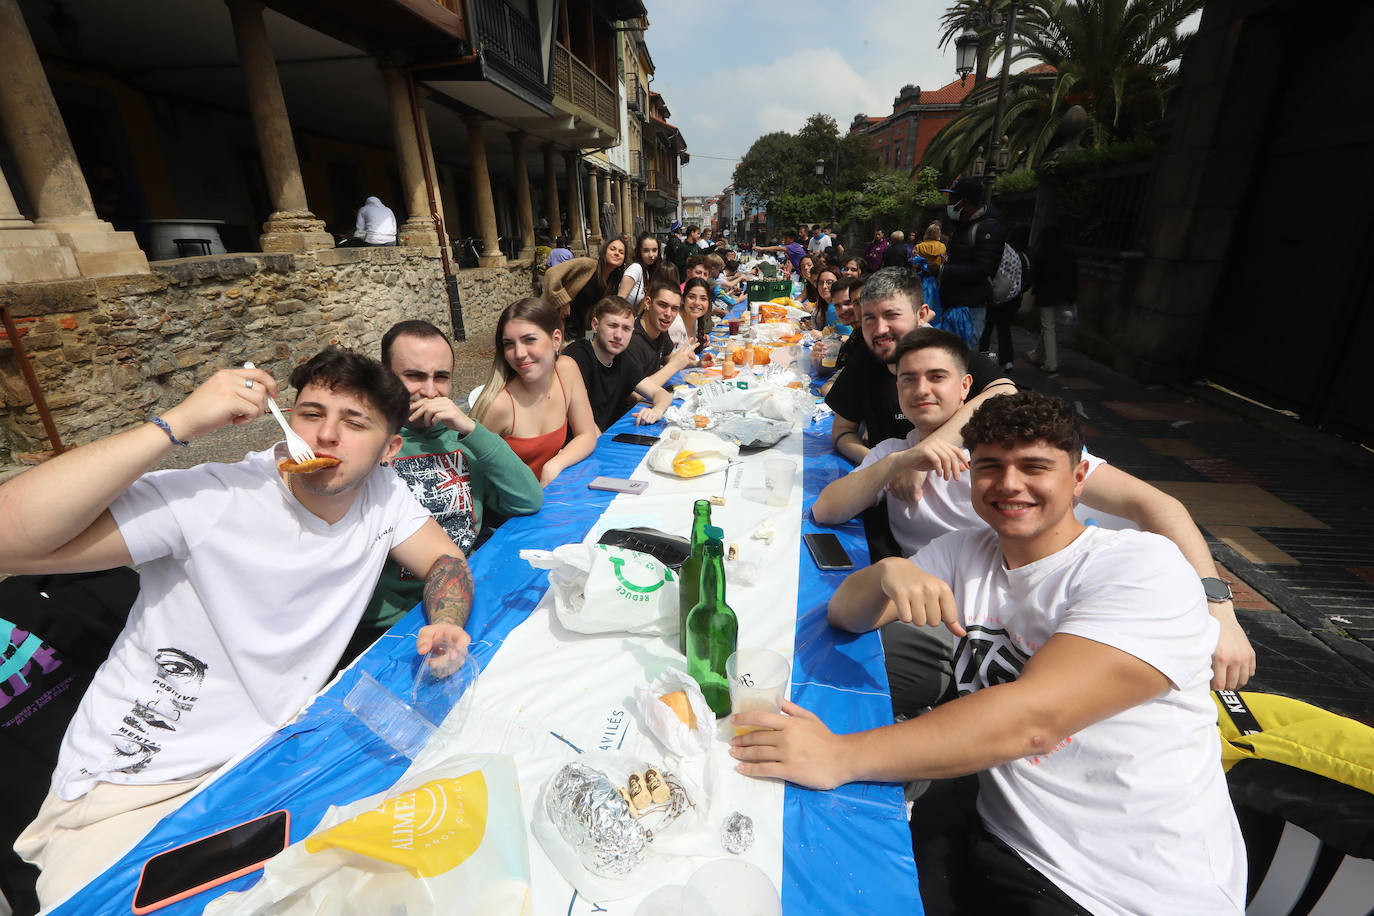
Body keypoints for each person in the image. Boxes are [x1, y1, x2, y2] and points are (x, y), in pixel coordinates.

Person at [733, 391, 1247, 915]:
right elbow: (845, 614)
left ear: (1077, 480)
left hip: (1114, 886)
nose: (1008, 484)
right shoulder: (969, 550)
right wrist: (887, 574)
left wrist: (838, 756)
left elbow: (1034, 721)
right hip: (995, 821)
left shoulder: (1143, 568)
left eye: (1034, 467)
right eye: (990, 467)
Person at [0, 349, 474, 905]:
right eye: (311, 413)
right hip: (132, 789)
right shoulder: (212, 496)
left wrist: (445, 620)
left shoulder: (381, 493)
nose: (326, 436)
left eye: (355, 423)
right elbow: (11, 536)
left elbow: (445, 562)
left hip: (267, 761)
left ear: (390, 449)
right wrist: (175, 424)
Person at [814, 327, 1257, 712]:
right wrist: (902, 462)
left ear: (965, 386)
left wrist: (1220, 610)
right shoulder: (897, 457)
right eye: (908, 380)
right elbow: (827, 509)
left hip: (1043, 605)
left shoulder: (1014, 446)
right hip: (952, 608)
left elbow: (1159, 506)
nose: (921, 389)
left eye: (937, 377)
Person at [338, 322, 546, 668]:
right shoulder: (368, 444)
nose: (431, 391)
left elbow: (527, 499)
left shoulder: (462, 440)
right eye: (415, 376)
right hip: (393, 625)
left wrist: (470, 428)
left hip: (468, 594)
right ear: (385, 377)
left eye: (442, 377)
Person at [826, 268, 1015, 468]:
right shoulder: (865, 359)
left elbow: (1006, 392)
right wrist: (883, 466)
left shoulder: (946, 355)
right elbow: (842, 430)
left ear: (922, 315)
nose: (880, 329)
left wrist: (919, 458)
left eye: (892, 315)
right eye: (869, 318)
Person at [471, 298, 599, 487]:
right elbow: (469, 477)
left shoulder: (566, 370)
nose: (519, 353)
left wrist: (554, 465)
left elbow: (587, 434)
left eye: (529, 340)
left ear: (556, 339)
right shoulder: (499, 405)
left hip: (549, 497)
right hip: (509, 513)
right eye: (509, 344)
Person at [564, 296, 674, 432]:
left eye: (626, 329)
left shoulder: (622, 358)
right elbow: (583, 424)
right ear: (595, 325)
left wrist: (656, 411)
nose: (619, 335)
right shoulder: (577, 356)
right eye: (612, 325)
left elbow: (661, 394)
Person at [939, 177, 1005, 347]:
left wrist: (943, 271)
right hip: (953, 305)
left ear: (965, 201)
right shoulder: (963, 225)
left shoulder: (987, 228)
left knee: (962, 360)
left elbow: (982, 269)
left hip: (970, 310)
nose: (949, 203)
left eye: (953, 199)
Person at [978, 226, 1029, 368]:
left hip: (994, 298)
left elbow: (990, 272)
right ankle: (1007, 361)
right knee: (1004, 330)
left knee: (987, 329)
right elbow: (1024, 281)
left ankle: (983, 356)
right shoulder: (1022, 257)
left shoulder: (1001, 253)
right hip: (1011, 300)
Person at [1028, 225, 1076, 374]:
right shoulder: (1068, 254)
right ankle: (1037, 354)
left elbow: (1036, 276)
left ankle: (1051, 363)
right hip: (1063, 296)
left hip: (1046, 296)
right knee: (1049, 326)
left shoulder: (1042, 253)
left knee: (1049, 327)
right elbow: (1074, 277)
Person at [624, 281, 696, 381]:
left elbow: (669, 357)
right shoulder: (631, 341)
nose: (668, 313)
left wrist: (698, 364)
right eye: (663, 305)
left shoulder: (660, 328)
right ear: (648, 303)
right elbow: (635, 395)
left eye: (674, 308)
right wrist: (674, 366)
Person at [616, 231, 660, 308]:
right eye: (646, 250)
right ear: (639, 251)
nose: (651, 255)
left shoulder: (646, 271)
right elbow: (619, 301)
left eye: (654, 250)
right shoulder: (635, 269)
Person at [679, 277, 713, 349]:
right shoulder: (676, 324)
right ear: (683, 298)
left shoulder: (695, 319)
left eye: (703, 299)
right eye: (691, 297)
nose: (697, 303)